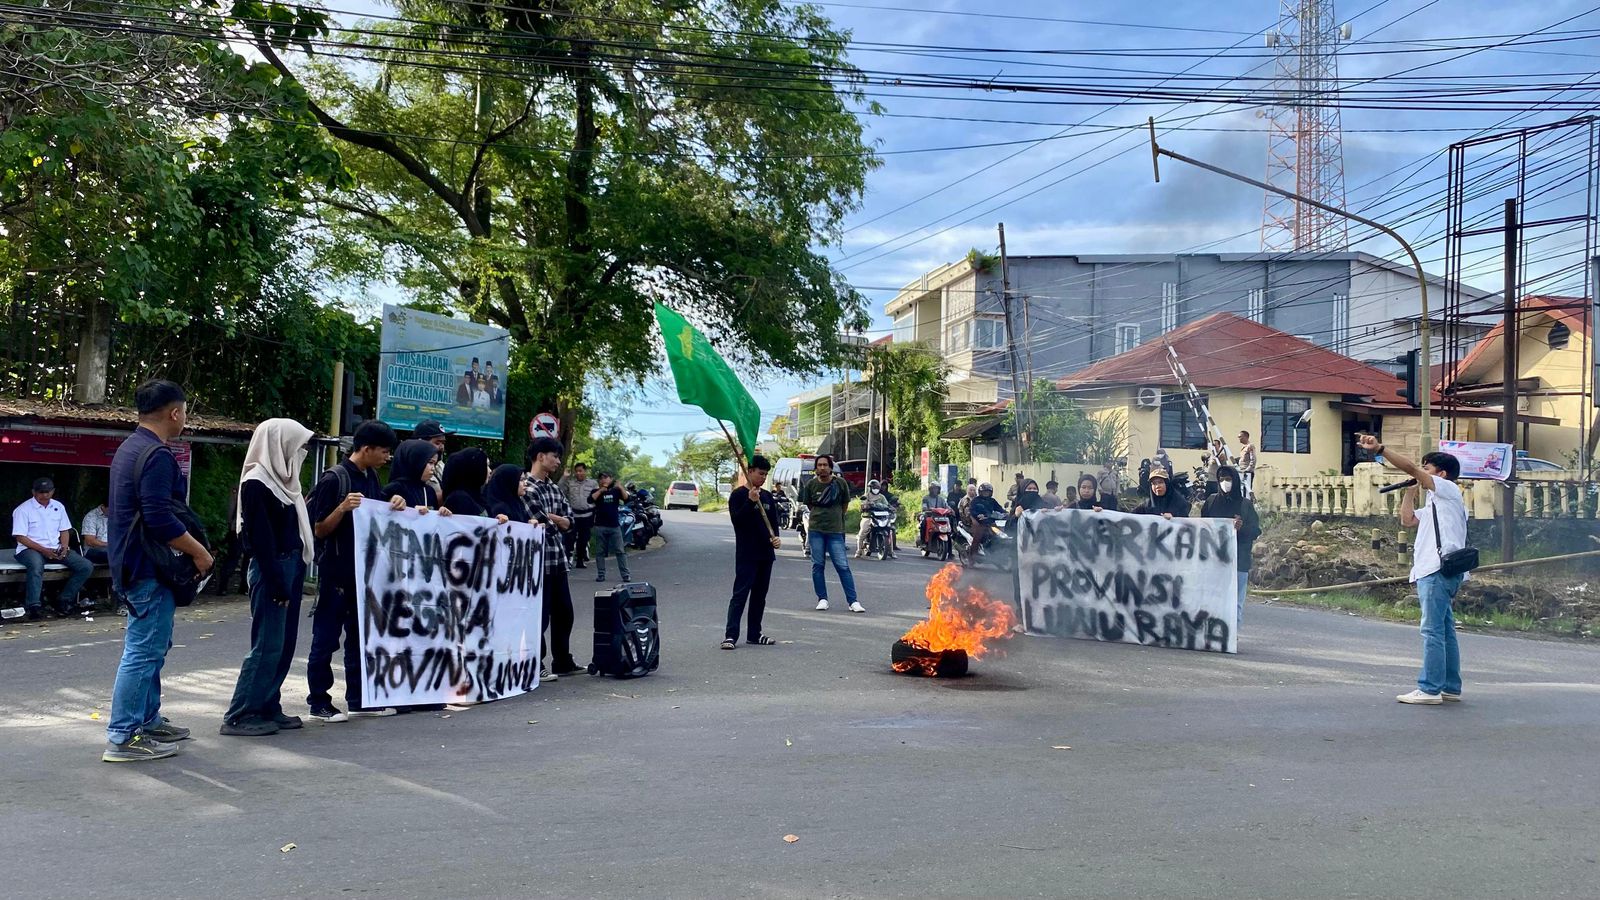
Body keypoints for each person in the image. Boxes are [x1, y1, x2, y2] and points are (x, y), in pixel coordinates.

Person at [102, 380, 212, 763]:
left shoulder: (129, 449)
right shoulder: (157, 455)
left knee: (153, 646)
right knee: (143, 650)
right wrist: (200, 553)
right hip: (148, 568)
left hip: (133, 565)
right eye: (185, 412)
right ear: (175, 413)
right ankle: (123, 736)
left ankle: (147, 720)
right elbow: (159, 520)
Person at [304, 420, 406, 724]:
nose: (387, 457)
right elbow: (319, 529)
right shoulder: (335, 479)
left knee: (359, 640)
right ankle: (318, 701)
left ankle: (359, 698)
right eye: (384, 451)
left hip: (364, 575)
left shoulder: (372, 477)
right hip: (336, 573)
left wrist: (394, 503)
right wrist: (342, 509)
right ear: (366, 448)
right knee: (325, 639)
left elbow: (376, 514)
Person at [1357, 434, 1470, 705]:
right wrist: (1410, 490)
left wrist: (1381, 449)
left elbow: (1410, 468)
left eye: (1426, 468)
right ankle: (1450, 687)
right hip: (1442, 570)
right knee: (1445, 629)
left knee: (1432, 631)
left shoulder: (1447, 489)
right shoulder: (1437, 502)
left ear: (1441, 474)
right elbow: (1407, 520)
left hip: (1437, 570)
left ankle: (1430, 689)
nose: (1421, 471)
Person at [221, 418, 316, 738]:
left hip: (290, 565)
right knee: (267, 645)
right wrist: (277, 582)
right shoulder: (257, 482)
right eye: (296, 443)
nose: (300, 450)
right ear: (278, 443)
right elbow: (260, 538)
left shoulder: (287, 482)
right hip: (272, 568)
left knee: (285, 644)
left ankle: (267, 704)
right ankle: (241, 713)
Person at [524, 436, 581, 679]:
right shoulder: (525, 487)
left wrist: (555, 519)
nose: (558, 461)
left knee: (564, 612)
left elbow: (570, 521)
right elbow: (541, 523)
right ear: (540, 456)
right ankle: (536, 663)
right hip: (537, 563)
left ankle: (563, 660)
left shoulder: (554, 488)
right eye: (555, 456)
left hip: (558, 560)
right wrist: (557, 521)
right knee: (540, 615)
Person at [12, 477, 94, 620]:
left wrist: (63, 547)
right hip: (29, 549)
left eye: (48, 492)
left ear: (53, 491)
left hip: (54, 547)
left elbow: (64, 530)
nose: (45, 495)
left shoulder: (58, 506)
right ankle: (34, 606)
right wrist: (44, 551)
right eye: (41, 492)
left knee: (85, 566)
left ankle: (64, 599)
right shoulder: (23, 509)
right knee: (36, 566)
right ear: (34, 492)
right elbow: (20, 537)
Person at [722, 456, 782, 649]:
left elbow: (773, 522)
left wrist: (776, 538)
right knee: (740, 594)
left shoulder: (767, 496)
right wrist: (749, 502)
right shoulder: (738, 495)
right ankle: (730, 635)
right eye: (760, 473)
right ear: (750, 472)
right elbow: (737, 522)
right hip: (747, 554)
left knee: (760, 596)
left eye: (766, 474)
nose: (763, 478)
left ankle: (754, 634)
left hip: (766, 554)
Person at [1201, 465, 1261, 632]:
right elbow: (1202, 527)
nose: (1225, 483)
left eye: (1228, 479)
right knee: (1212, 599)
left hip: (1238, 561)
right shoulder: (1211, 502)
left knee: (1235, 602)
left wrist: (1241, 527)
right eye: (1221, 480)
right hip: (1214, 560)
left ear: (1235, 481)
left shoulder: (1245, 505)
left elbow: (1255, 531)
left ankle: (1230, 636)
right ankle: (1211, 634)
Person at [799, 454, 862, 613]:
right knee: (818, 565)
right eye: (819, 465)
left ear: (830, 466)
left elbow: (845, 505)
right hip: (816, 531)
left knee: (842, 566)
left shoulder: (840, 483)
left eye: (825, 465)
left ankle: (853, 601)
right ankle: (822, 599)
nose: (822, 468)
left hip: (835, 531)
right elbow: (810, 505)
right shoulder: (811, 485)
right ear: (816, 467)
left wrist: (835, 518)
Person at [589, 472, 632, 583]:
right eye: (601, 478)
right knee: (600, 552)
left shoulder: (616, 491)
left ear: (611, 479)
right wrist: (601, 491)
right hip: (600, 526)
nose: (604, 480)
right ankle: (601, 574)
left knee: (620, 551)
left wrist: (620, 487)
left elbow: (627, 499)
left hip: (614, 526)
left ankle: (625, 575)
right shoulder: (596, 492)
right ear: (599, 481)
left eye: (606, 478)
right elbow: (590, 500)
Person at [441, 448, 505, 520]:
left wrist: (496, 520)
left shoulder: (477, 497)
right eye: (486, 465)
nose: (490, 470)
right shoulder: (459, 498)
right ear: (474, 468)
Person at [384, 439, 444, 510]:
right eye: (430, 462)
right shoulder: (394, 488)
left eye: (435, 464)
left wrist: (441, 514)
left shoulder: (429, 491)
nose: (433, 468)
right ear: (415, 461)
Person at [559, 462, 597, 569]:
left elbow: (597, 497)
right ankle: (568, 559)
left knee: (583, 539)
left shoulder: (593, 483)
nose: (578, 473)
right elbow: (559, 490)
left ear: (585, 471)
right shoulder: (570, 483)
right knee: (569, 539)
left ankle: (580, 560)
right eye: (576, 471)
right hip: (573, 515)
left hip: (587, 515)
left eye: (580, 471)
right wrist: (564, 477)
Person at [855, 478, 896, 560]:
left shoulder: (882, 497)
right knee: (863, 531)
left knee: (890, 531)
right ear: (870, 488)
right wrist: (865, 506)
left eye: (877, 488)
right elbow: (862, 505)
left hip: (881, 517)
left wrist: (892, 508)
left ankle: (891, 552)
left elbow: (887, 505)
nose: (876, 489)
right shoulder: (866, 496)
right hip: (868, 517)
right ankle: (859, 550)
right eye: (874, 487)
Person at [412, 420, 449, 500]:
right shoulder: (411, 468)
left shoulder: (440, 465)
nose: (442, 447)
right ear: (420, 443)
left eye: (443, 443)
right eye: (437, 443)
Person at [917, 482, 944, 548]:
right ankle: (923, 541)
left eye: (936, 489)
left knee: (950, 521)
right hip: (928, 515)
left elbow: (946, 506)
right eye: (933, 488)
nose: (935, 490)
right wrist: (926, 509)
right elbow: (924, 507)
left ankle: (950, 548)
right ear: (930, 489)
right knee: (923, 522)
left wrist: (951, 510)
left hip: (939, 516)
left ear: (938, 490)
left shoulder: (941, 499)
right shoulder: (925, 498)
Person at [1237, 430, 1258, 497]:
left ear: (1245, 437)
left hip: (1247, 473)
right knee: (1242, 490)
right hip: (1242, 471)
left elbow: (1253, 459)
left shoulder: (1250, 446)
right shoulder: (1243, 447)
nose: (1239, 438)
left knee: (1247, 491)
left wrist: (1248, 470)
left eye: (1240, 437)